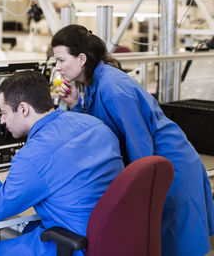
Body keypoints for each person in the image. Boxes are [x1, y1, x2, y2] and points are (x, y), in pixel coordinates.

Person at [52, 24, 214, 256]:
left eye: (60, 60)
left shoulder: (114, 88)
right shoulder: (92, 84)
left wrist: (134, 190)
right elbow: (100, 131)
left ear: (81, 58)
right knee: (158, 240)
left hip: (169, 164)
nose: (57, 68)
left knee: (176, 243)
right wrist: (76, 103)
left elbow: (140, 147)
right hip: (154, 161)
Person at [0, 70, 124, 255]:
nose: (2, 120)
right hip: (114, 237)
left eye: (5, 112)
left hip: (79, 245)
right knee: (30, 228)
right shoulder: (97, 126)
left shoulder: (32, 157)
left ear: (24, 109)